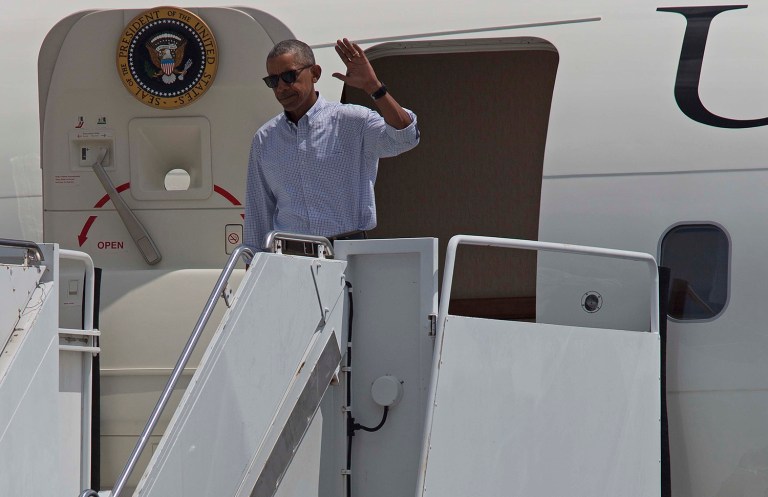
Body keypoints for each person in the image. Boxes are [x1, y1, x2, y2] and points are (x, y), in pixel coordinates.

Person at [243, 38, 420, 257]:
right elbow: (258, 212)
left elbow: (405, 137)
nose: (281, 87)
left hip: (348, 255)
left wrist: (374, 87)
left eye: (289, 77)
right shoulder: (264, 139)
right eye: (273, 81)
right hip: (289, 260)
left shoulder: (352, 121)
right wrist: (253, 266)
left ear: (315, 73)